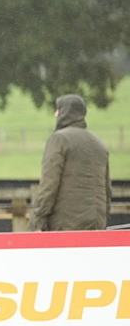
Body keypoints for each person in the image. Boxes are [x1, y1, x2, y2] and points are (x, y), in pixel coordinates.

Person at [29, 94, 112, 231]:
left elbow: (49, 185)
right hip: (98, 222)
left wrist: (36, 222)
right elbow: (107, 190)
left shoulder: (59, 139)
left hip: (66, 223)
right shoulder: (99, 144)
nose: (55, 114)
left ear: (64, 112)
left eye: (58, 109)